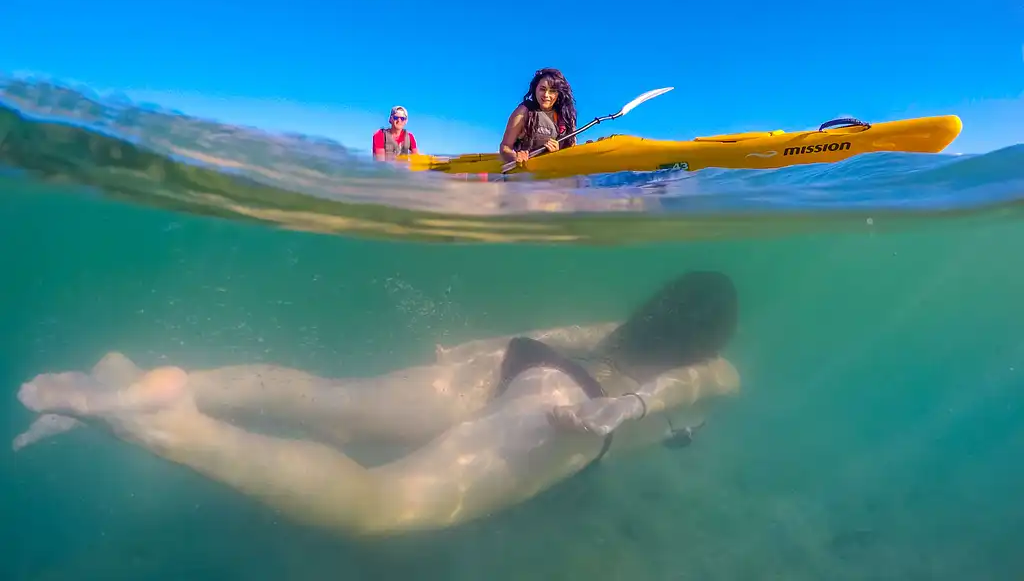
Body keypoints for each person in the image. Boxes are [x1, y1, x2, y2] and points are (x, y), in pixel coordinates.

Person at [14, 271, 741, 540]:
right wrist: (631, 407)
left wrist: (473, 348)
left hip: (521, 365)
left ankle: (136, 381)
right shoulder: (716, 366)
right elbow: (693, 385)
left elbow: (553, 337)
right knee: (381, 504)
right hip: (571, 409)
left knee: (331, 404)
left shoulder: (617, 329)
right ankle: (173, 427)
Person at [499, 67, 577, 167]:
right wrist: (515, 157)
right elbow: (505, 147)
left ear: (559, 94)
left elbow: (572, 149)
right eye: (542, 89)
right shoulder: (523, 112)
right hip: (528, 174)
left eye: (552, 91)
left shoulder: (567, 117)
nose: (546, 95)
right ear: (535, 89)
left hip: (556, 172)